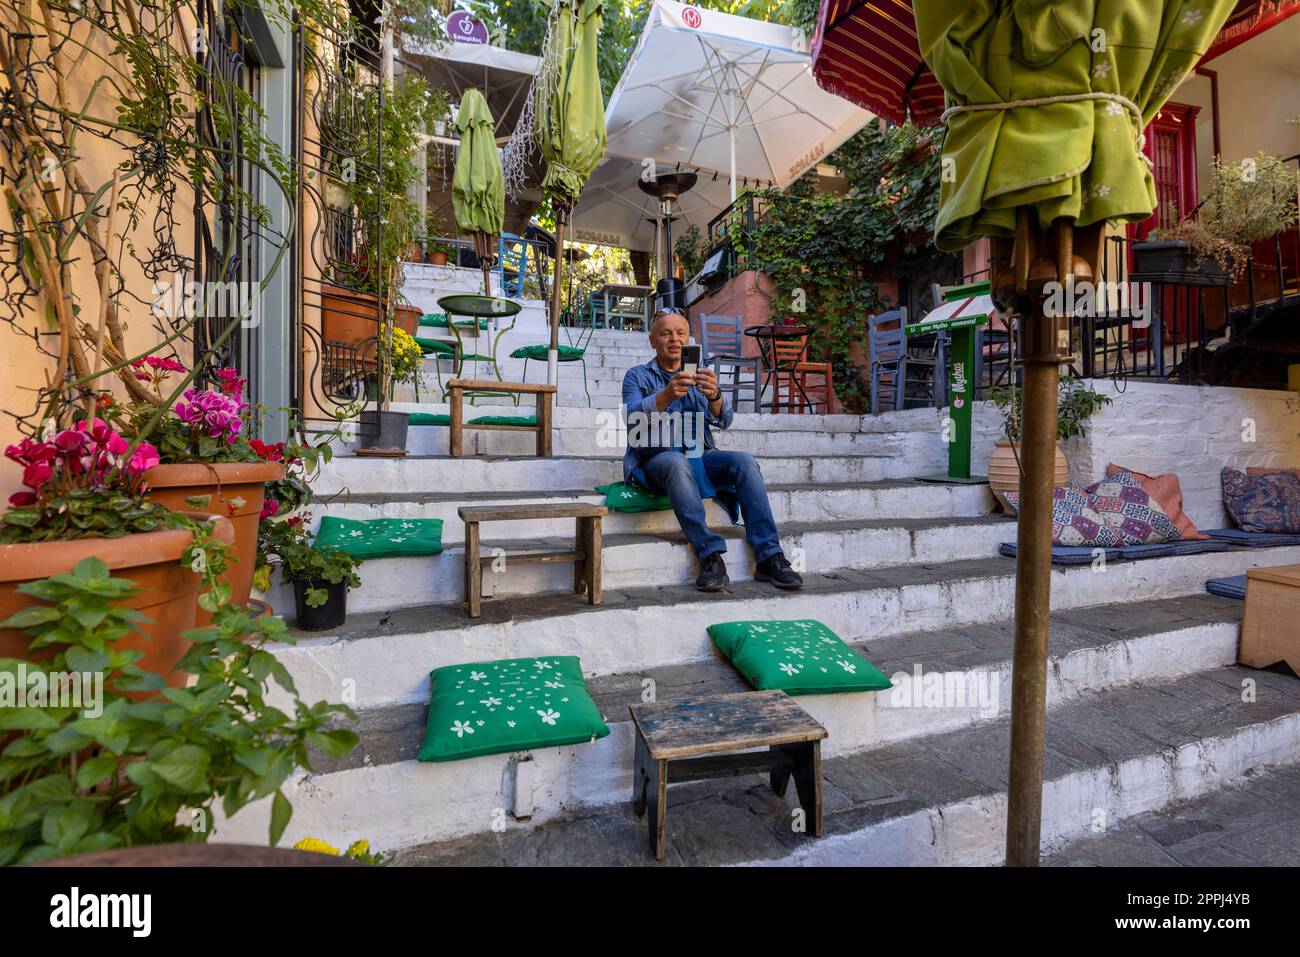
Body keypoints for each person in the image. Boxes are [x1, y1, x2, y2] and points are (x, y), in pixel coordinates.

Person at [621, 310, 803, 592]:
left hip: (699, 455)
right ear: (652, 341)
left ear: (689, 339)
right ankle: (709, 555)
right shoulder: (637, 376)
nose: (674, 339)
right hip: (656, 459)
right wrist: (666, 395)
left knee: (743, 461)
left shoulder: (702, 372)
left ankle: (769, 556)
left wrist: (715, 396)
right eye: (665, 333)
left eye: (681, 333)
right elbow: (632, 421)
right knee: (675, 462)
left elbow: (726, 419)